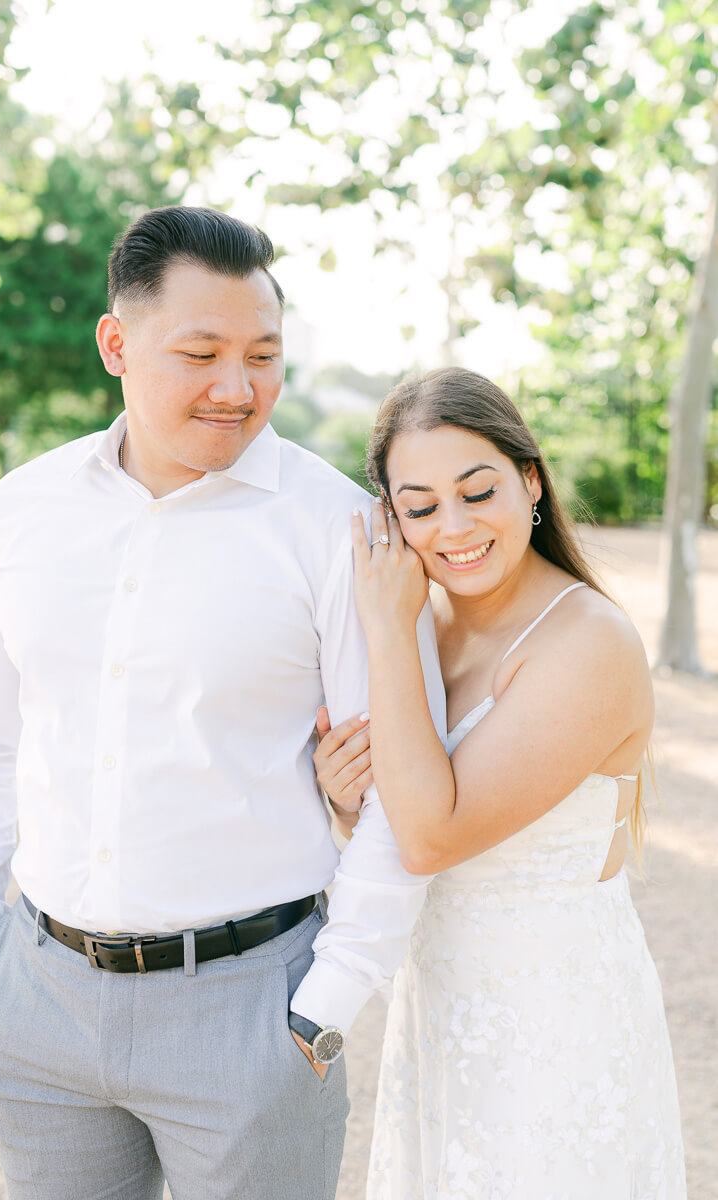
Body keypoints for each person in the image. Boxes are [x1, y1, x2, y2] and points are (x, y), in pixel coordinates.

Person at [0, 206, 447, 1200]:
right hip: (35, 1003)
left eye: (263, 354)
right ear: (117, 345)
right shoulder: (25, 509)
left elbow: (400, 790)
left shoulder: (338, 529)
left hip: (254, 1015)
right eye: (201, 352)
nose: (238, 388)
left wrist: (326, 1004)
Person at [315, 367, 687, 1198]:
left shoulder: (587, 642)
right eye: (419, 507)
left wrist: (383, 628)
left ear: (530, 480)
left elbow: (432, 835)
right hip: (442, 1005)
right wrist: (347, 807)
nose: (454, 528)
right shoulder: (429, 626)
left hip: (558, 1021)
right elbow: (405, 824)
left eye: (477, 491)